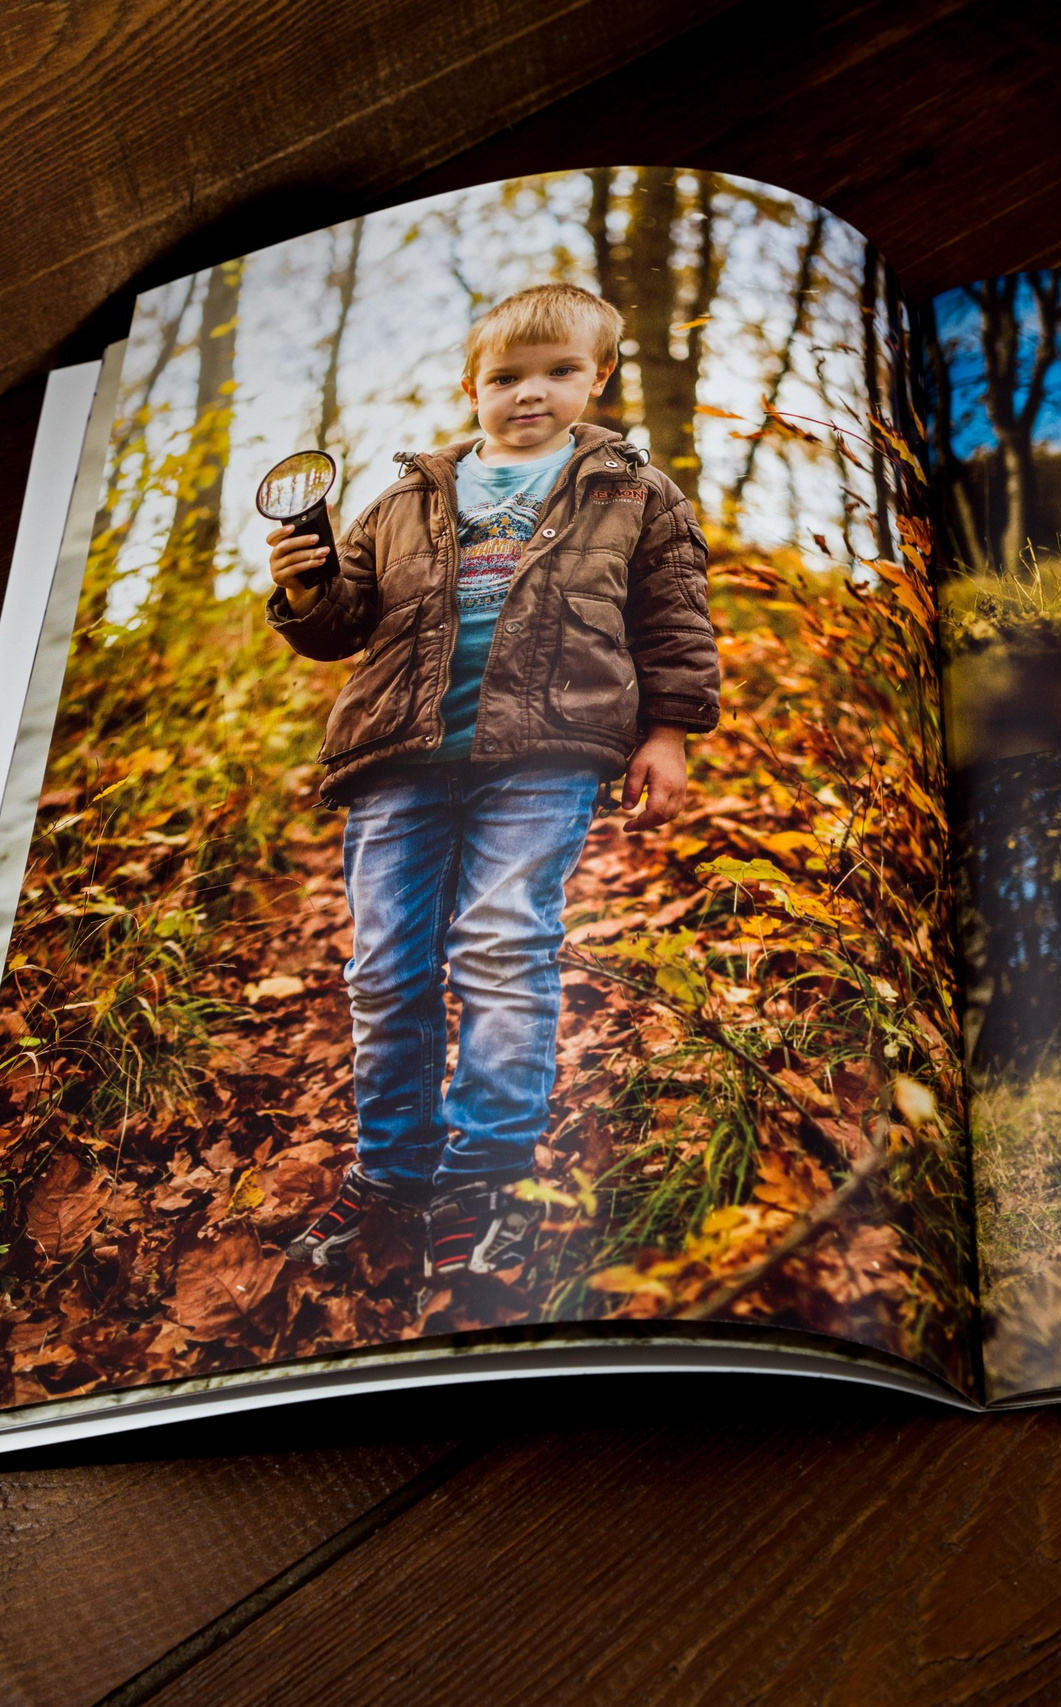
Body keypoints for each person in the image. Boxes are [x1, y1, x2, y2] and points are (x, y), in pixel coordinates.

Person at [263, 282, 720, 1280]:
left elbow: (675, 617)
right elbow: (342, 624)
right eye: (506, 378)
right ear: (471, 386)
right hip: (399, 761)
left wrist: (669, 732)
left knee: (505, 943)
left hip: (545, 754)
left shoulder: (633, 490)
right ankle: (393, 1170)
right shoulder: (407, 495)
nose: (531, 394)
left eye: (559, 372)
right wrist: (304, 588)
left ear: (598, 376)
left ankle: (484, 1176)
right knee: (386, 968)